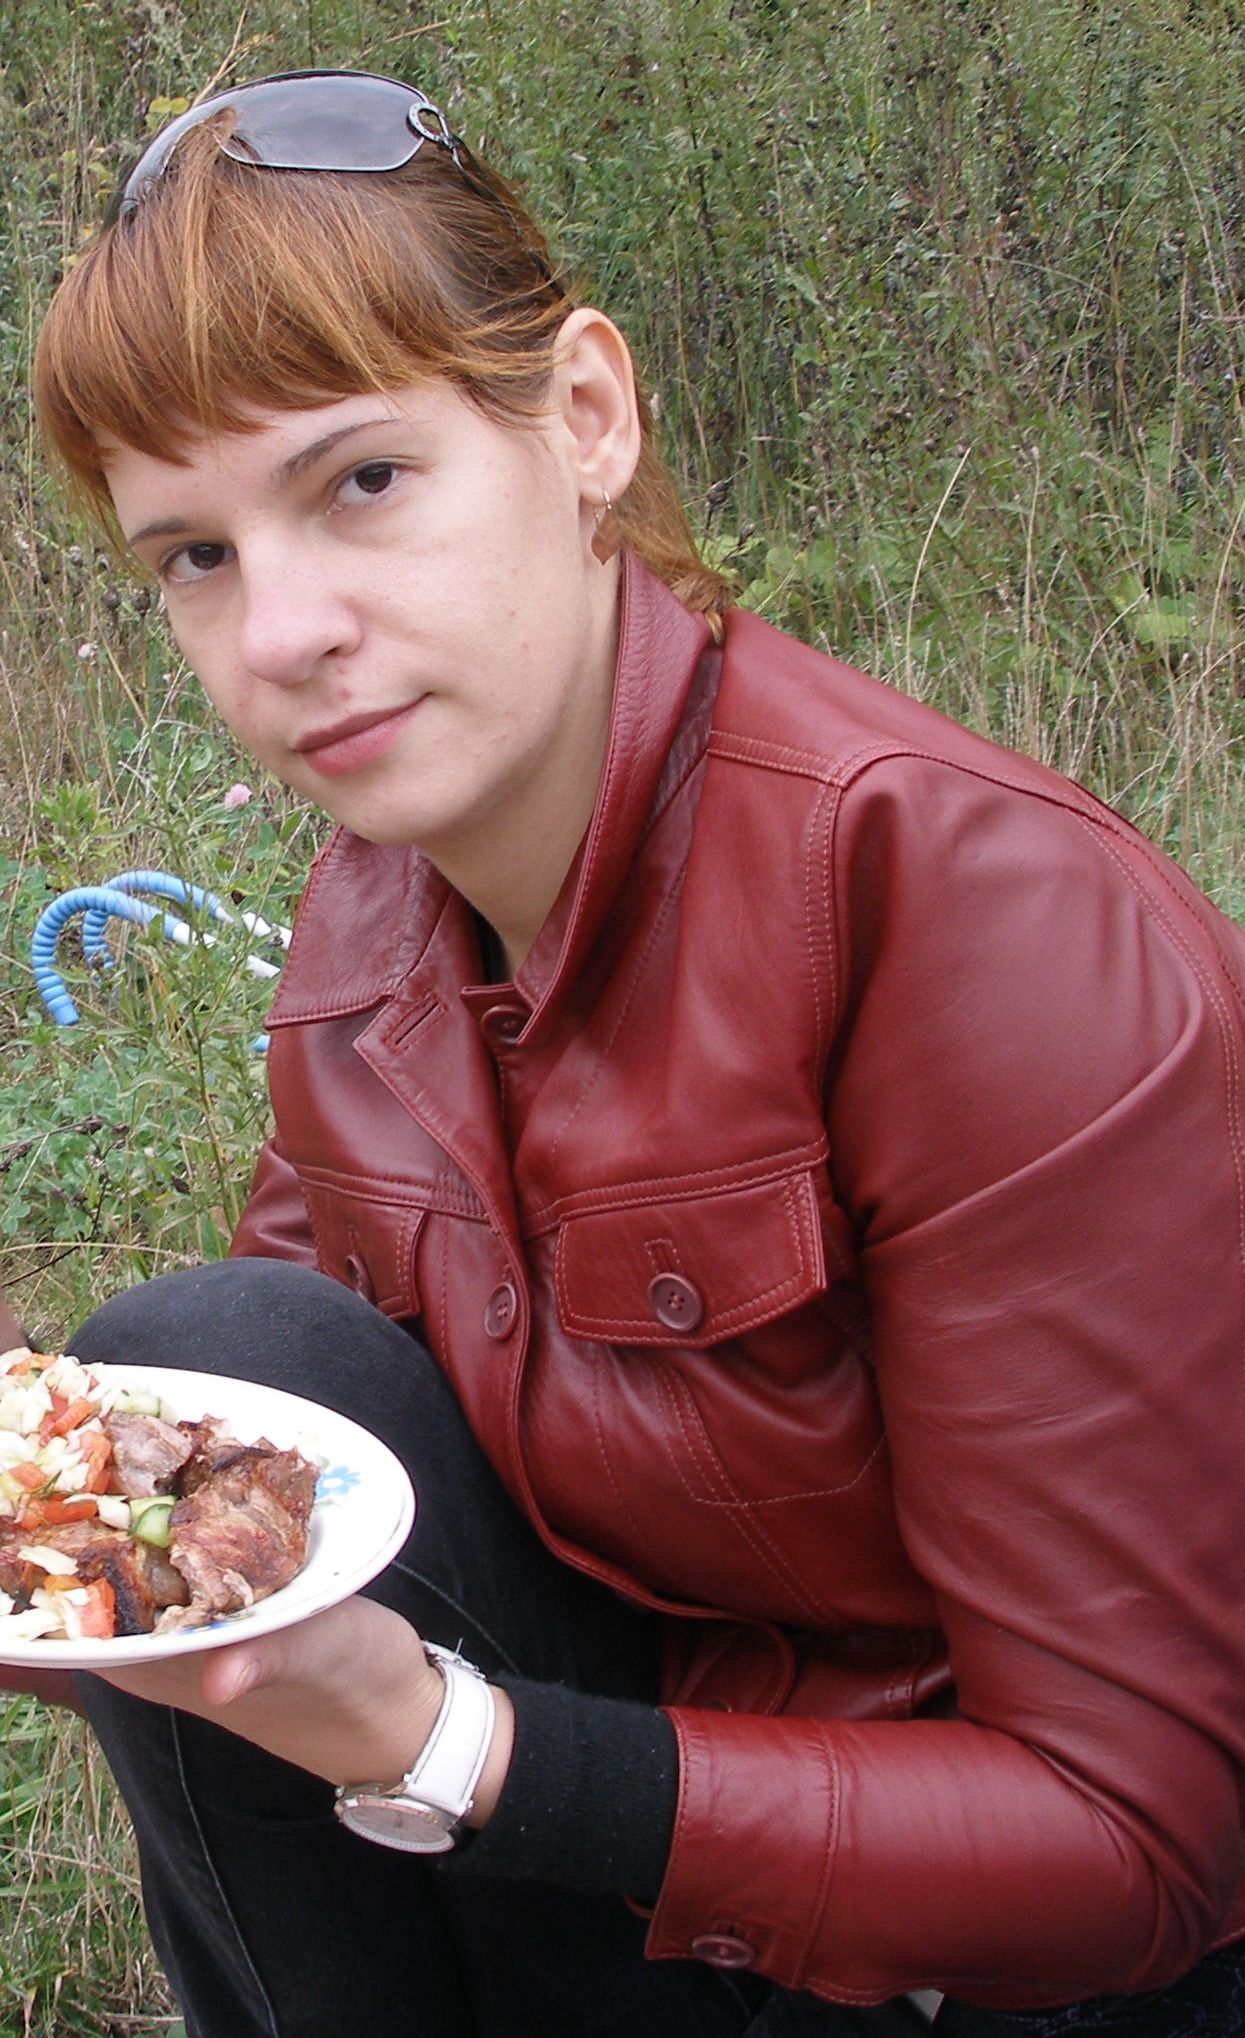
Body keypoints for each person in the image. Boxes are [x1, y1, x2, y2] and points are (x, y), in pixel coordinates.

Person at [28, 68, 1245, 2038]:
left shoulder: (971, 911)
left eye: (361, 480)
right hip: (643, 1868)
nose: (281, 632)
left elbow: (1138, 1840)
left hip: (1005, 1953)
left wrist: (450, 1742)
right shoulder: (368, 931)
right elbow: (277, 1419)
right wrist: (67, 1493)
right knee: (200, 1366)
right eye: (195, 555)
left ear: (584, 416)